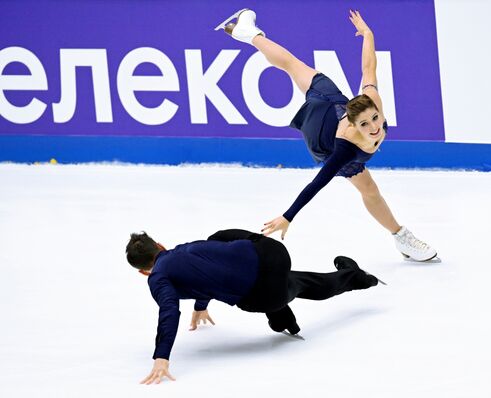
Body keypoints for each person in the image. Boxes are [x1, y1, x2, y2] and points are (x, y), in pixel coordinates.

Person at [215, 9, 437, 261]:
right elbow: (317, 183)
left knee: (293, 65)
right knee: (369, 187)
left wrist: (367, 34)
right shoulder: (344, 150)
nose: (375, 127)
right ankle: (401, 236)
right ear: (353, 124)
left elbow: (368, 68)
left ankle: (248, 32)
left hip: (332, 101)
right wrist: (288, 216)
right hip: (322, 136)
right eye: (365, 124)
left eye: (375, 118)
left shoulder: (372, 101)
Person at [126, 229, 382, 384]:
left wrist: (162, 356)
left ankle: (286, 317)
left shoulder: (158, 278)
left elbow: (169, 311)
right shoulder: (185, 250)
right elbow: (206, 274)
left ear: (143, 273)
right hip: (272, 253)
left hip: (265, 294)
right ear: (160, 246)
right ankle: (352, 276)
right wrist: (201, 305)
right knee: (219, 240)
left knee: (288, 290)